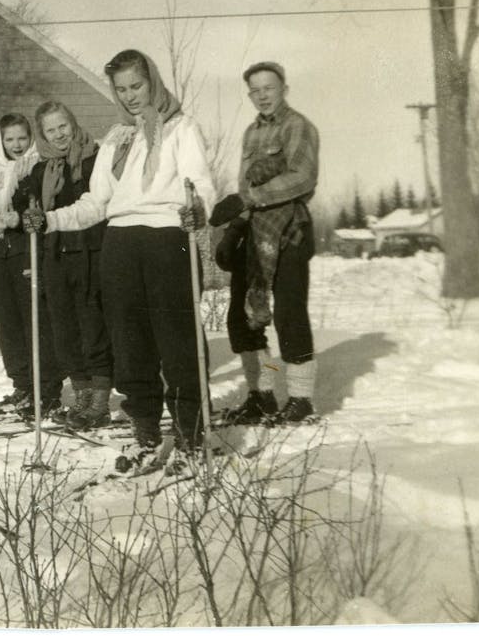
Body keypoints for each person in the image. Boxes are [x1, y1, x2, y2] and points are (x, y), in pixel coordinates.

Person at [27, 50, 213, 468]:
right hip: (121, 244)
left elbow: (199, 183)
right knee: (130, 346)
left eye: (137, 86)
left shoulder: (182, 128)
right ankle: (145, 432)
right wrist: (51, 219)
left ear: (153, 83)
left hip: (168, 237)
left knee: (176, 341)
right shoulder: (116, 138)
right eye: (121, 89)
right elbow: (96, 202)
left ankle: (189, 435)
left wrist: (198, 208)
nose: (130, 96)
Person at [210, 61, 321, 425]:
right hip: (255, 231)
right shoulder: (250, 134)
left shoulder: (298, 126)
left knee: (288, 313)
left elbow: (301, 178)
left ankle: (301, 400)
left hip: (290, 230)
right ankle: (263, 394)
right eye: (255, 90)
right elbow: (246, 190)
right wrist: (235, 228)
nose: (262, 96)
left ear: (283, 88)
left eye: (268, 88)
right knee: (244, 317)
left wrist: (249, 199)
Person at [20, 101, 112, 429]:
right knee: (64, 328)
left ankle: (99, 399)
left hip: (91, 251)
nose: (59, 135)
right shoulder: (39, 170)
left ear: (72, 124)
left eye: (63, 126)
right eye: (50, 130)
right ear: (42, 135)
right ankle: (82, 394)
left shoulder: (94, 159)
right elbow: (31, 210)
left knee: (92, 324)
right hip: (56, 255)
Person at [0, 113, 56, 418]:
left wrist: (19, 218)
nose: (16, 145)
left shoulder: (38, 168)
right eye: (10, 139)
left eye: (22, 138)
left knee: (35, 320)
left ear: (31, 138)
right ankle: (23, 386)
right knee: (7, 323)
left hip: (28, 251)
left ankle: (46, 390)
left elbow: (43, 208)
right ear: (1, 140)